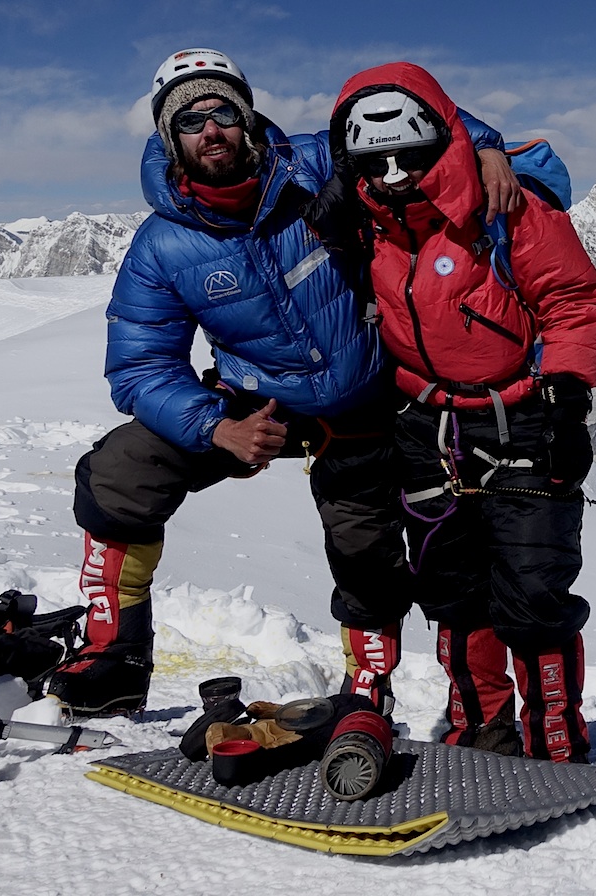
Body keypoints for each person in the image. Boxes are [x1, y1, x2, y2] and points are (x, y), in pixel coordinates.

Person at [49, 48, 520, 717]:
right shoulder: (162, 246)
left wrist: (488, 147)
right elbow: (139, 368)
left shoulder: (319, 164)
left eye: (221, 113)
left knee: (367, 548)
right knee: (121, 473)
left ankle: (370, 685)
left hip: (371, 391)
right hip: (258, 404)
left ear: (246, 118)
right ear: (170, 140)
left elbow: (415, 118)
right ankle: (113, 659)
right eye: (189, 121)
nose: (209, 130)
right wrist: (217, 426)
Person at [310, 61, 596, 762]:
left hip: (522, 421)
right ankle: (480, 728)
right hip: (425, 425)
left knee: (534, 592)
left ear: (437, 142)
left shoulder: (505, 208)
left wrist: (567, 393)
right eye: (374, 159)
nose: (392, 173)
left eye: (407, 155)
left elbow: (572, 301)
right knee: (452, 589)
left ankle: (552, 740)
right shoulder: (365, 221)